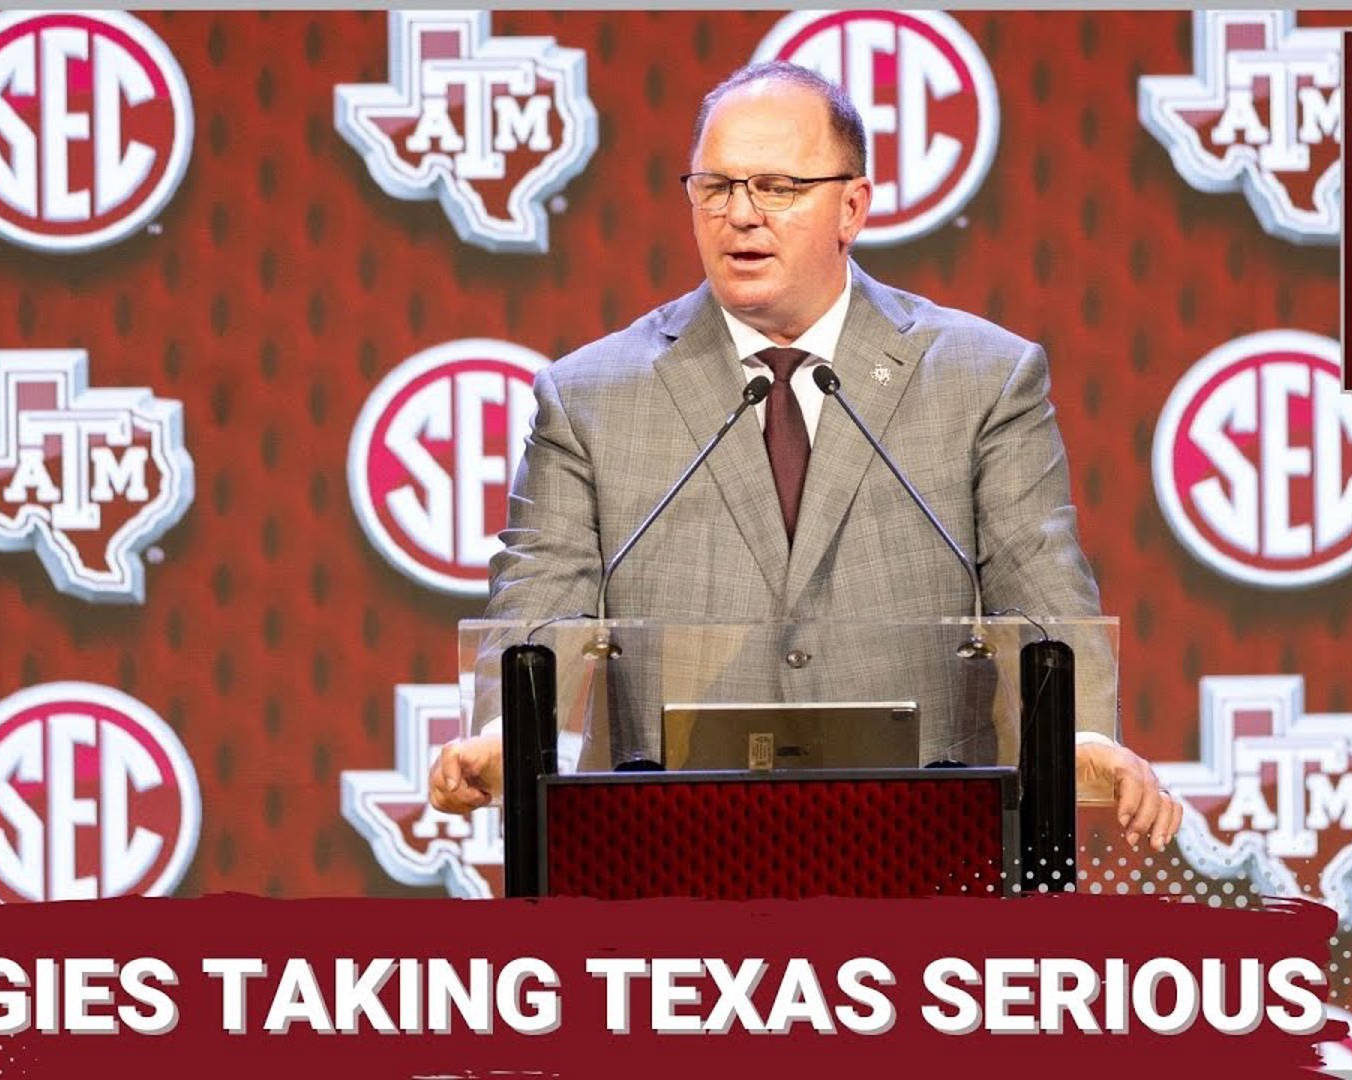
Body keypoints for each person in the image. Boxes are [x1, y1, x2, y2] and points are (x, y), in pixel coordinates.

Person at [431, 62, 1183, 852]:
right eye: (715, 188)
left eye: (778, 187)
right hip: (667, 850)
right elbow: (544, 597)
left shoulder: (981, 377)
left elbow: (1038, 583)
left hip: (928, 845)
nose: (741, 216)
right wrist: (508, 731)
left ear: (851, 206)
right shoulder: (590, 394)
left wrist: (1079, 737)